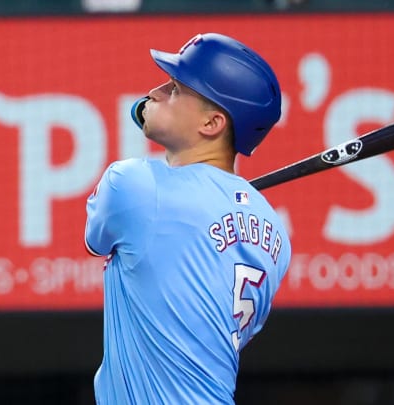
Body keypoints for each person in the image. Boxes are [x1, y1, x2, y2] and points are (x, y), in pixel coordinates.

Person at [84, 33, 292, 404]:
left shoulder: (135, 186)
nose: (156, 92)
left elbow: (95, 240)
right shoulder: (275, 231)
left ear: (212, 124)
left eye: (176, 89)